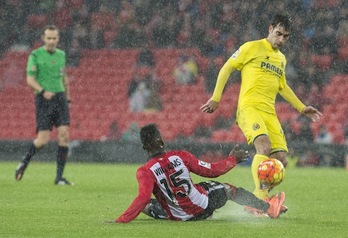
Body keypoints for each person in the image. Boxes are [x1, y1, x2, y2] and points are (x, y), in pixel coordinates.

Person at [200, 14, 322, 215]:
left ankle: (264, 197)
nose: (281, 40)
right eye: (278, 34)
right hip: (249, 108)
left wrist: (301, 107)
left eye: (286, 36)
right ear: (270, 28)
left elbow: (283, 87)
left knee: (281, 159)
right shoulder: (251, 47)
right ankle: (258, 200)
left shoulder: (281, 59)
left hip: (269, 112)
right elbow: (226, 68)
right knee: (263, 147)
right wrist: (216, 98)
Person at [116, 124, 285, 223]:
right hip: (203, 206)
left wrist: (121, 220)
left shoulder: (144, 171)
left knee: (146, 206)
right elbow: (212, 171)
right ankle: (267, 208)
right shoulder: (180, 156)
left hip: (179, 217)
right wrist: (233, 159)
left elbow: (143, 198)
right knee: (229, 190)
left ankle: (174, 211)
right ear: (161, 140)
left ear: (144, 147)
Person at [15, 25, 73, 185]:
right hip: (44, 100)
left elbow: (64, 77)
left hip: (60, 98)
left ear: (58, 38)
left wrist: (68, 97)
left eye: (54, 38)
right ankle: (23, 163)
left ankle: (59, 177)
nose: (52, 41)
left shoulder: (61, 55)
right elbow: (30, 80)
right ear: (43, 38)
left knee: (64, 135)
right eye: (49, 38)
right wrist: (42, 91)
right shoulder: (35, 55)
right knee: (42, 140)